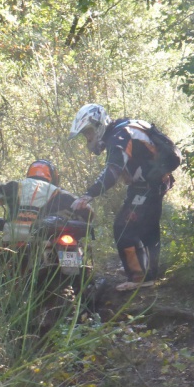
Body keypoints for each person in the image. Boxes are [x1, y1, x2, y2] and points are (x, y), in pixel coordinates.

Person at [68, 104, 175, 291]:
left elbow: (112, 171)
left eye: (89, 132)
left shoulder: (119, 136)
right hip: (149, 183)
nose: (89, 138)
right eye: (85, 134)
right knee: (147, 229)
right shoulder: (122, 130)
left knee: (123, 226)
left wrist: (89, 194)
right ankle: (148, 272)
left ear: (99, 124)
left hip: (149, 186)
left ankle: (139, 277)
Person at [0, 159, 93, 245]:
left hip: (12, 238)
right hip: (43, 239)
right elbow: (88, 210)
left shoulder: (14, 186)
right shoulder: (59, 193)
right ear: (53, 176)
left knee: (0, 269)